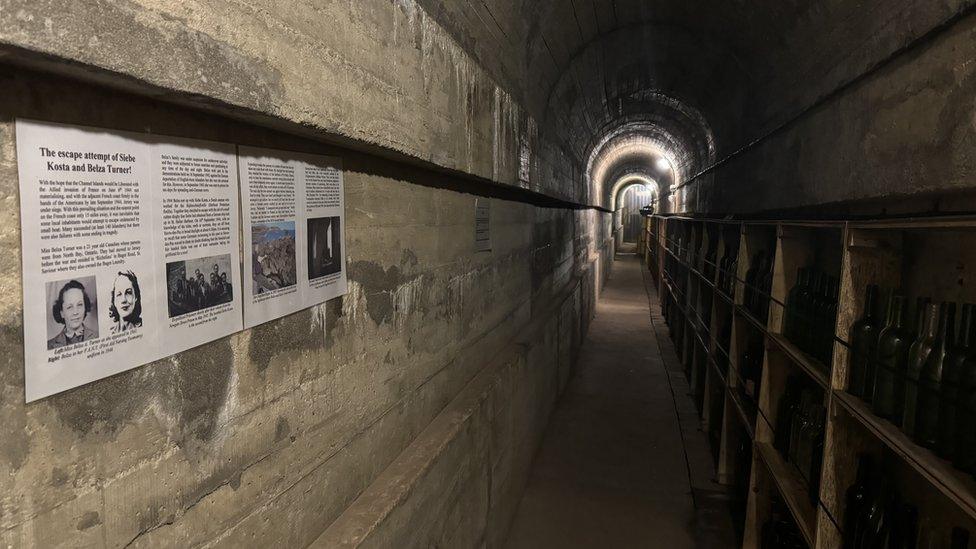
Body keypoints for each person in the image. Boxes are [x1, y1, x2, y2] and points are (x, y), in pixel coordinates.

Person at [48, 280, 98, 349]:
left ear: (85, 307)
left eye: (79, 305)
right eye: (69, 307)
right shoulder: (49, 345)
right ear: (62, 313)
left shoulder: (97, 336)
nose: (75, 312)